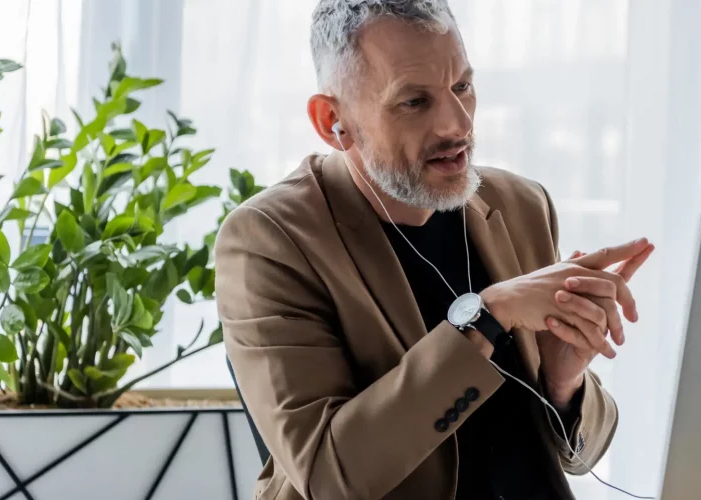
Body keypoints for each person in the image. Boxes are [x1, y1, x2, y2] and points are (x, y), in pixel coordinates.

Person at [215, 1, 656, 499]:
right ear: (332, 121)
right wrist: (489, 316)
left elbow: (583, 454)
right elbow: (328, 478)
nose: (457, 124)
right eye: (414, 102)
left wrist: (564, 381)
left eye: (462, 87)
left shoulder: (521, 205)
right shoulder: (269, 240)